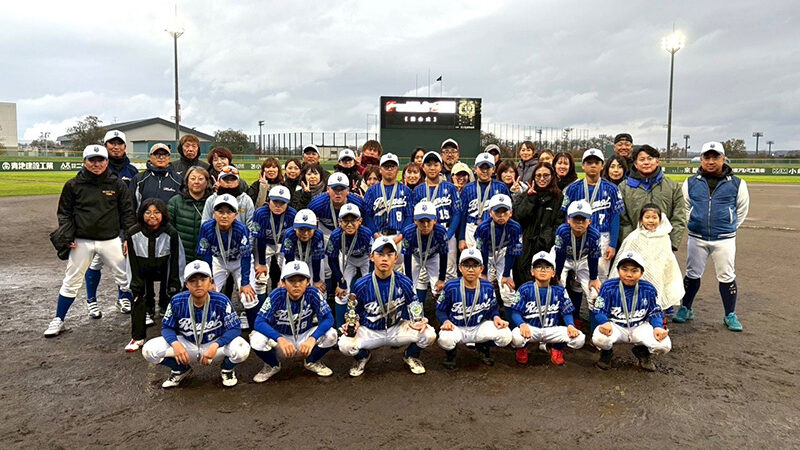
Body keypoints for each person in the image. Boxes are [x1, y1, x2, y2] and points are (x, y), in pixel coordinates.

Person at [44, 145, 136, 337]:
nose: (96, 164)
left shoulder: (116, 184)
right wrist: (67, 236)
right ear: (84, 162)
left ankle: (139, 313)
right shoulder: (73, 185)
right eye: (92, 160)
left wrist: (128, 236)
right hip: (81, 241)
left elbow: (127, 212)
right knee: (71, 281)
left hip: (110, 240)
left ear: (107, 162)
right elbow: (64, 213)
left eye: (100, 160)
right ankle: (58, 319)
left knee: (126, 278)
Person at [673, 141, 749, 331]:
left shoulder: (738, 183)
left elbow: (741, 210)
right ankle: (686, 308)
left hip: (724, 238)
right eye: (707, 157)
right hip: (697, 237)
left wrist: (728, 225)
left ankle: (730, 314)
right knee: (692, 274)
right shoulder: (691, 182)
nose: (711, 161)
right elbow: (685, 207)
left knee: (726, 276)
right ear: (701, 159)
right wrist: (694, 221)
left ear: (723, 159)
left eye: (715, 157)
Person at [337, 237, 437, 377]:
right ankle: (363, 356)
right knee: (345, 344)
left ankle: (410, 355)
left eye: (389, 255)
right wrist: (353, 323)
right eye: (380, 254)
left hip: (396, 328)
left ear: (396, 258)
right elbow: (353, 311)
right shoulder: (361, 284)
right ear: (372, 257)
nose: (385, 259)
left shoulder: (404, 282)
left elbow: (414, 306)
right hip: (371, 330)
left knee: (429, 334)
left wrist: (419, 320)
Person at [142, 260, 250, 388]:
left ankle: (227, 369)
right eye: (193, 280)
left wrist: (216, 345)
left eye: (203, 279)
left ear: (210, 281)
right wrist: (175, 344)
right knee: (149, 350)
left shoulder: (221, 300)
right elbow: (167, 327)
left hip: (214, 345)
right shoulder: (177, 301)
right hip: (189, 344)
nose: (198, 284)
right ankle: (180, 369)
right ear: (186, 284)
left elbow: (235, 328)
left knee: (242, 348)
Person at [249, 261, 339, 382]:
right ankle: (272, 365)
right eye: (291, 281)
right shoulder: (276, 295)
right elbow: (259, 322)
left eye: (301, 280)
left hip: (305, 337)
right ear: (283, 282)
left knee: (332, 334)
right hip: (281, 339)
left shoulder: (313, 293)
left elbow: (328, 318)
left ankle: (312, 361)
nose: (296, 285)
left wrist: (313, 338)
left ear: (308, 282)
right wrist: (279, 339)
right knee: (256, 339)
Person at [82, 130, 138, 316]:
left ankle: (122, 296)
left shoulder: (132, 171)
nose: (116, 146)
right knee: (95, 262)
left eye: (119, 143)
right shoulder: (94, 169)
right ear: (105, 146)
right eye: (111, 143)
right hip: (99, 226)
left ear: (125, 146)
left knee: (123, 262)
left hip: (123, 224)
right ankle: (91, 300)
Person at [591, 251, 671, 371]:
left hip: (639, 326)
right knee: (599, 338)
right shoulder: (608, 287)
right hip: (616, 326)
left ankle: (642, 351)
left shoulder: (649, 289)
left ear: (641, 273)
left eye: (634, 271)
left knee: (664, 345)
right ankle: (606, 352)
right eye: (624, 269)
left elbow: (656, 312)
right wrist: (604, 322)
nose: (629, 274)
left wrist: (658, 327)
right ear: (618, 271)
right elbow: (599, 309)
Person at [124, 199, 185, 351]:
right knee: (139, 297)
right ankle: (137, 337)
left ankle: (175, 335)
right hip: (142, 267)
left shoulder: (171, 233)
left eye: (157, 212)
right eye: (148, 212)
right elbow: (131, 262)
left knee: (173, 295)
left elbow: (177, 260)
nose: (152, 216)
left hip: (164, 267)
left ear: (163, 214)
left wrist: (175, 283)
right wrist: (134, 284)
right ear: (141, 214)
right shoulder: (133, 233)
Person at [436, 248, 512, 369]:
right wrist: (445, 321)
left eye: (475, 265)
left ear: (481, 268)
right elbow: (440, 309)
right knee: (445, 339)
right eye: (466, 265)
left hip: (478, 326)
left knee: (505, 335)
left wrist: (496, 317)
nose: (471, 269)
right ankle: (451, 354)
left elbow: (493, 308)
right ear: (460, 268)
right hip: (457, 327)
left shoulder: (487, 286)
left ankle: (483, 347)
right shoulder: (451, 286)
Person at [509, 251, 585, 366]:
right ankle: (522, 349)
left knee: (579, 338)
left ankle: (556, 348)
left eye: (547, 267)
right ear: (532, 272)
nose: (543, 270)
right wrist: (521, 324)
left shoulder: (559, 290)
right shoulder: (524, 289)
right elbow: (515, 313)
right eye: (538, 267)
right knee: (516, 336)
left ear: (553, 272)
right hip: (531, 329)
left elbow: (566, 312)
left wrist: (570, 325)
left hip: (551, 330)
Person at [561, 149, 624, 283]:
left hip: (602, 236)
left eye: (596, 162)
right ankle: (578, 304)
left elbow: (615, 218)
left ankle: (599, 304)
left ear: (602, 165)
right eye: (589, 162)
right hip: (578, 236)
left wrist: (612, 244)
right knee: (578, 276)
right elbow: (565, 216)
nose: (593, 166)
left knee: (601, 276)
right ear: (583, 165)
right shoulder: (572, 188)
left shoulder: (612, 189)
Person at [196, 194, 258, 328]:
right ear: (214, 213)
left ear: (235, 214)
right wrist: (210, 280)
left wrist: (245, 283)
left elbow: (246, 257)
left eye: (229, 212)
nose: (224, 216)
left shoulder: (240, 229)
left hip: (239, 262)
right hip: (218, 261)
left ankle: (254, 329)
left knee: (248, 297)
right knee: (208, 293)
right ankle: (211, 326)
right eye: (220, 211)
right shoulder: (207, 227)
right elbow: (205, 255)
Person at [614, 204, 684, 315]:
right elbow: (624, 257)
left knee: (657, 299)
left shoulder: (664, 237)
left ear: (660, 219)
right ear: (641, 219)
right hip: (639, 275)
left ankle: (658, 320)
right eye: (647, 217)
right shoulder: (634, 237)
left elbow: (668, 259)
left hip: (658, 274)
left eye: (654, 217)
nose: (651, 221)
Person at [619, 145, 686, 251]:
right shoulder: (624, 187)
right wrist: (631, 241)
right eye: (642, 159)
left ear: (657, 161)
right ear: (636, 164)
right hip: (634, 245)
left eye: (650, 159)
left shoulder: (672, 186)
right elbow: (622, 218)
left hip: (663, 245)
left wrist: (671, 243)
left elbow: (679, 216)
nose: (646, 162)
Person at [512, 162, 563, 287]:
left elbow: (559, 223)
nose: (541, 179)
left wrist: (548, 238)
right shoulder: (527, 195)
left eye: (546, 175)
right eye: (538, 175)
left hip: (546, 245)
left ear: (552, 176)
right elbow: (518, 217)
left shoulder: (558, 197)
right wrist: (530, 199)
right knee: (524, 279)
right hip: (526, 246)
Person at [413, 151, 461, 281]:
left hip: (446, 231)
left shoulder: (450, 188)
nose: (432, 167)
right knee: (423, 273)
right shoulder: (418, 190)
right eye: (428, 164)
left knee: (450, 271)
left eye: (435, 164)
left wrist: (449, 234)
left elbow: (457, 213)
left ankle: (449, 301)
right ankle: (420, 302)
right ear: (423, 167)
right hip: (424, 234)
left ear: (441, 167)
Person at [554, 200, 602, 329]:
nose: (579, 223)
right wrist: (556, 276)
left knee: (594, 293)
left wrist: (593, 278)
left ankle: (594, 332)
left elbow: (593, 257)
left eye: (583, 219)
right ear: (568, 220)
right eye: (575, 219)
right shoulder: (562, 231)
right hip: (564, 259)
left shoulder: (594, 234)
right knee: (557, 289)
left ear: (590, 221)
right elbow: (560, 256)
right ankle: (558, 323)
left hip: (583, 259)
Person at [474, 194, 523, 315]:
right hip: (486, 255)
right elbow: (482, 251)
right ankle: (486, 319)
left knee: (507, 290)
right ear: (490, 213)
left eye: (504, 211)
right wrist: (484, 273)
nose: (501, 215)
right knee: (484, 288)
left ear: (510, 212)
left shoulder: (515, 227)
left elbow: (512, 252)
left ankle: (512, 324)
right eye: (497, 212)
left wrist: (506, 274)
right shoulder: (483, 228)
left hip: (503, 252)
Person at [327, 204, 373, 327]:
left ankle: (368, 323)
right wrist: (340, 281)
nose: (349, 224)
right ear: (339, 222)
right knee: (342, 293)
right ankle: (341, 328)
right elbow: (332, 259)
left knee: (370, 290)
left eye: (353, 220)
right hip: (348, 259)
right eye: (345, 221)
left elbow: (373, 258)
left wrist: (370, 279)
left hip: (365, 259)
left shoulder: (366, 233)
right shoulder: (336, 235)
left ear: (360, 221)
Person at [251, 186, 296, 299]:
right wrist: (261, 263)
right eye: (275, 202)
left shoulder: (292, 214)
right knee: (260, 277)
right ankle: (260, 307)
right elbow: (260, 239)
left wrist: (287, 270)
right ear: (268, 200)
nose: (278, 206)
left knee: (289, 276)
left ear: (287, 203)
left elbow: (290, 243)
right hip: (265, 244)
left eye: (282, 203)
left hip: (284, 244)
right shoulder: (260, 213)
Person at [459, 153, 510, 249]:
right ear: (475, 168)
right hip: (471, 228)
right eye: (482, 168)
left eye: (488, 168)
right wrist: (461, 238)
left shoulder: (501, 187)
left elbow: (509, 213)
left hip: (495, 228)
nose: (485, 171)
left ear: (493, 169)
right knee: (472, 263)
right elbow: (463, 215)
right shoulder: (467, 188)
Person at [402, 201, 449, 306]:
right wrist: (409, 280)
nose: (425, 225)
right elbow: (407, 257)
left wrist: (441, 279)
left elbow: (444, 255)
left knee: (439, 289)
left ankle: (439, 314)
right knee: (409, 287)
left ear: (435, 220)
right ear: (415, 221)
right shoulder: (408, 232)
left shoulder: (440, 232)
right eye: (421, 221)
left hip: (433, 257)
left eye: (428, 221)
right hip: (415, 257)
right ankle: (413, 313)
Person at [363, 153, 413, 248]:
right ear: (380, 170)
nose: (389, 169)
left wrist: (401, 236)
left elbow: (409, 216)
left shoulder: (406, 191)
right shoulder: (371, 191)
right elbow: (367, 216)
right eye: (386, 166)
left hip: (400, 236)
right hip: (378, 235)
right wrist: (375, 235)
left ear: (397, 169)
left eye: (392, 166)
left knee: (401, 263)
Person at [168, 166, 213, 263]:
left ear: (207, 183)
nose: (196, 182)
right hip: (181, 257)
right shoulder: (175, 202)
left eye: (201, 179)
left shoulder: (214, 202)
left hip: (207, 257)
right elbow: (168, 229)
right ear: (187, 182)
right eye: (192, 178)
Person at [308, 173, 367, 239]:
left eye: (342, 189)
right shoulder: (317, 203)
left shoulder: (357, 203)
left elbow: (365, 221)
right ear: (328, 189)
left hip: (350, 231)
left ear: (348, 191)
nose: (338, 193)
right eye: (335, 189)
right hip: (326, 231)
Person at [282, 209, 326, 292]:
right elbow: (289, 259)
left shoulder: (318, 235)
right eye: (301, 229)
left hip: (311, 257)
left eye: (309, 230)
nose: (305, 234)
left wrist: (316, 280)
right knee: (287, 285)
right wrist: (286, 278)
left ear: (315, 228)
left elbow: (316, 260)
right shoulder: (289, 234)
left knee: (318, 287)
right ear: (295, 228)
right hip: (295, 257)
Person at [130, 143, 182, 212]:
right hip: (144, 221)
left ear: (169, 158)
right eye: (157, 155)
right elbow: (131, 205)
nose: (161, 158)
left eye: (165, 155)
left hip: (169, 222)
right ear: (150, 157)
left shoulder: (178, 180)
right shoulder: (139, 179)